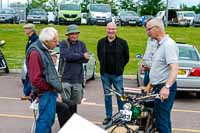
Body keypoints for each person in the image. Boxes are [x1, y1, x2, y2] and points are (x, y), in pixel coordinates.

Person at [27, 27, 63, 133]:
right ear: (46, 41)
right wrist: (49, 87)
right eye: (55, 41)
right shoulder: (35, 52)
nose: (57, 43)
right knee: (45, 121)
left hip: (49, 92)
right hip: (45, 93)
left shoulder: (43, 49)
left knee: (48, 120)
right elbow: (35, 79)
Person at [146, 18, 178, 133]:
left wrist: (167, 87)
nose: (147, 32)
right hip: (158, 87)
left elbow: (174, 69)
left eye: (149, 29)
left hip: (164, 88)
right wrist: (149, 85)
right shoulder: (160, 45)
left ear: (157, 28)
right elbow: (158, 69)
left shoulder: (168, 45)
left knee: (162, 121)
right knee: (161, 119)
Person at [97, 22, 129, 125]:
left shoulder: (122, 43)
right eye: (109, 29)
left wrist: (120, 67)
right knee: (107, 96)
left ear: (116, 30)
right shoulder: (101, 42)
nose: (111, 31)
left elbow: (126, 58)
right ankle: (109, 116)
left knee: (120, 95)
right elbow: (99, 56)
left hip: (117, 74)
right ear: (106, 29)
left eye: (113, 29)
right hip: (105, 74)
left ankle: (121, 116)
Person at [59, 24, 89, 119]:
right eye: (72, 34)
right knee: (64, 105)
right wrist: (81, 56)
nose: (74, 35)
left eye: (76, 33)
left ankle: (72, 124)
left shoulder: (82, 44)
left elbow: (86, 59)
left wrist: (75, 56)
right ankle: (64, 125)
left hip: (77, 79)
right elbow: (67, 57)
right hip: (65, 79)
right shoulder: (63, 44)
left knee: (74, 105)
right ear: (68, 35)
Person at [142, 19, 158, 86]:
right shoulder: (149, 39)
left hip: (154, 72)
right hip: (147, 71)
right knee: (146, 91)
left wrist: (150, 67)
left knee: (151, 91)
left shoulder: (158, 41)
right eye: (146, 29)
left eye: (148, 29)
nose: (147, 32)